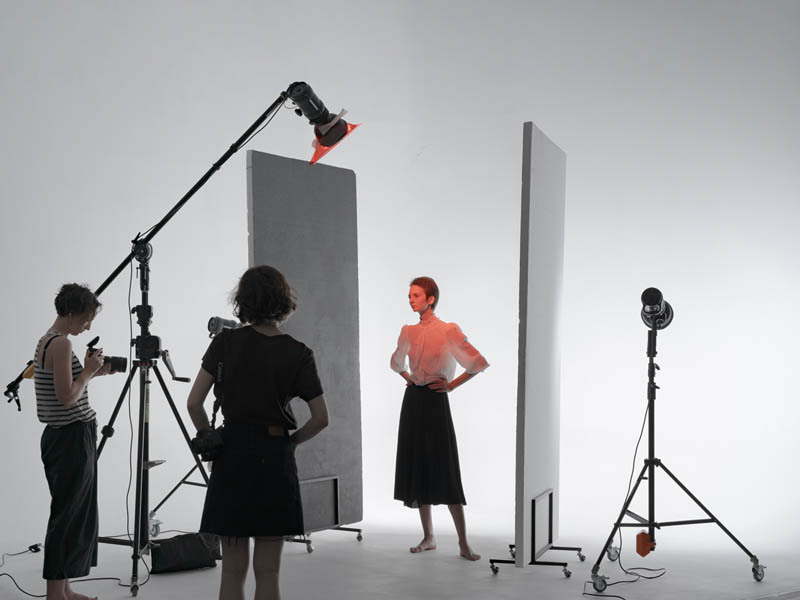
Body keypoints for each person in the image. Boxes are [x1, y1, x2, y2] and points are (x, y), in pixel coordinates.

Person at [187, 265, 329, 600]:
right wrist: (292, 442)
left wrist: (208, 435)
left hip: (232, 455)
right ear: (283, 301)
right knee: (269, 573)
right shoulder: (298, 352)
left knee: (232, 572)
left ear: (243, 301)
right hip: (275, 457)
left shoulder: (225, 343)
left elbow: (194, 403)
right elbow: (321, 418)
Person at [390, 276, 489, 561]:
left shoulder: (448, 330)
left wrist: (451, 385)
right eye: (410, 295)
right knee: (419, 466)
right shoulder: (408, 331)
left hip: (435, 402)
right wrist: (409, 377)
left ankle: (463, 543)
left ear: (430, 299)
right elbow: (396, 362)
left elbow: (477, 363)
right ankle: (429, 537)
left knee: (445, 468)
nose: (411, 299)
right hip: (413, 402)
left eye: (416, 295)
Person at [34, 283, 112, 600]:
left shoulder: (47, 340)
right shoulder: (62, 344)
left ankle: (64, 589)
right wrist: (88, 372)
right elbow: (67, 397)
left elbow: (64, 390)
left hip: (59, 436)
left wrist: (93, 373)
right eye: (86, 319)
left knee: (70, 513)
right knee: (67, 517)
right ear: (71, 314)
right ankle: (56, 594)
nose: (88, 326)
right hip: (71, 437)